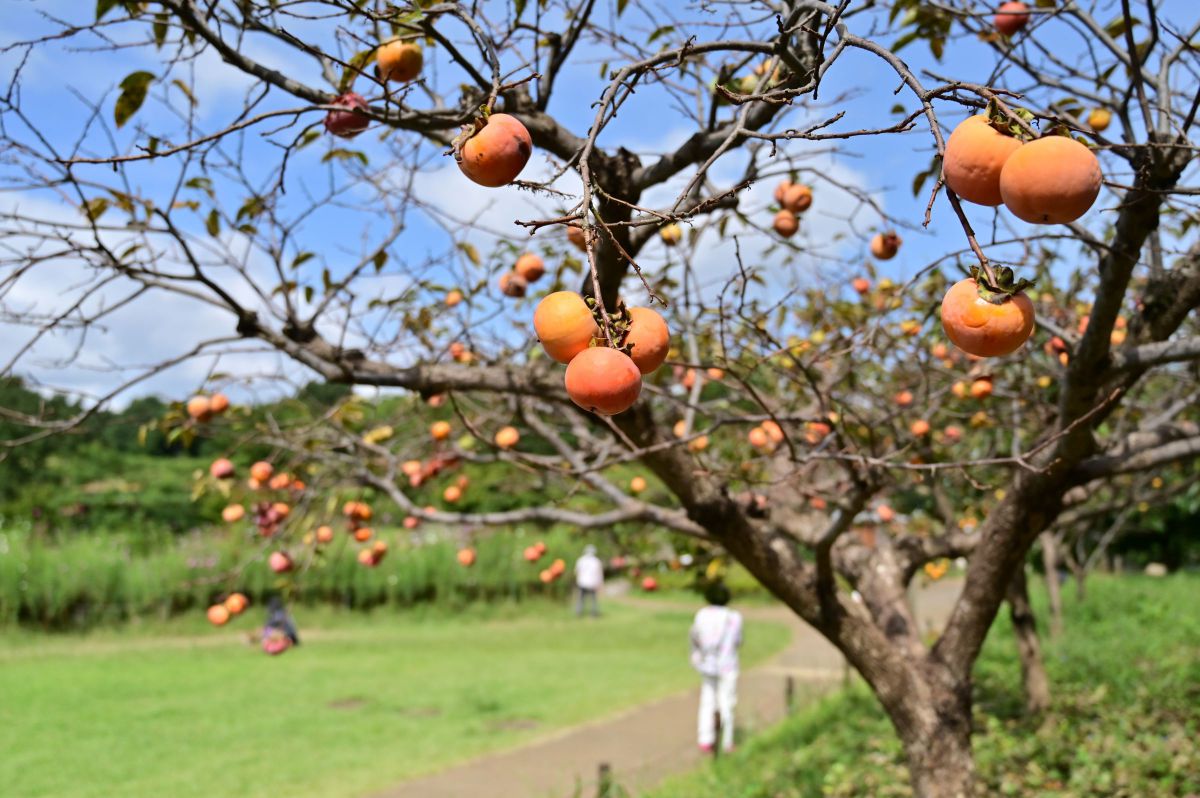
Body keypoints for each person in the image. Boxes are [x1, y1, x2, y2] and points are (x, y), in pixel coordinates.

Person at [689, 582, 743, 753]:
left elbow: (695, 637)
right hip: (727, 665)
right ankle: (727, 741)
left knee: (707, 701)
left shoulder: (702, 615)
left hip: (707, 664)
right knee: (727, 702)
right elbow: (737, 641)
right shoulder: (734, 617)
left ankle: (705, 739)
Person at [573, 544, 604, 617]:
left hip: (582, 582)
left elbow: (577, 571)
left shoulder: (581, 560)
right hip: (592, 582)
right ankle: (593, 613)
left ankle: (579, 612)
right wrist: (600, 583)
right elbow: (599, 573)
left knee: (581, 598)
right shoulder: (596, 561)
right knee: (593, 599)